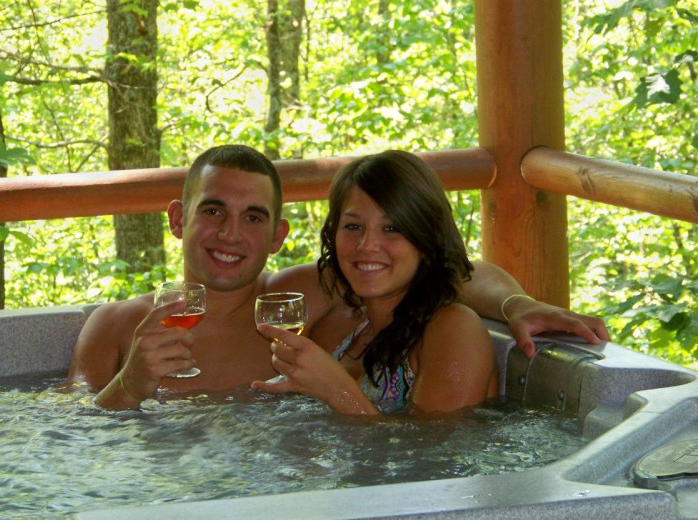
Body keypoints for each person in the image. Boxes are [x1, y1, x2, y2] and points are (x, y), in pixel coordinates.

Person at [66, 145, 609, 410]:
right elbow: (65, 447)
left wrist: (514, 304)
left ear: (277, 236)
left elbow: (436, 269)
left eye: (252, 218)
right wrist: (129, 385)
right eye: (212, 211)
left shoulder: (297, 301)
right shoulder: (114, 328)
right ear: (176, 219)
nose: (230, 234)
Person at [253, 150, 497, 414]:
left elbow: (437, 451)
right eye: (353, 227)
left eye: (392, 229)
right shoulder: (348, 329)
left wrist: (337, 391)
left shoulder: (454, 329)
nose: (366, 245)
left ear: (426, 239)